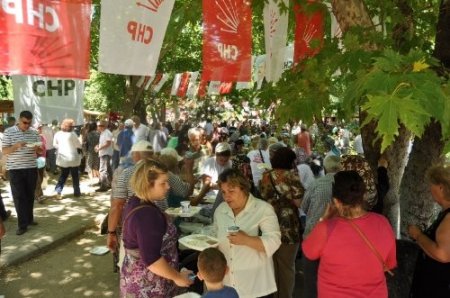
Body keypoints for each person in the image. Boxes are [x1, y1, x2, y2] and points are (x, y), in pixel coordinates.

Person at [302, 170, 397, 298]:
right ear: (362, 196)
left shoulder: (326, 228)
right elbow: (390, 263)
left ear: (336, 201)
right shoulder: (383, 222)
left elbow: (309, 252)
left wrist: (323, 220)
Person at [120, 159, 193, 297]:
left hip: (137, 279)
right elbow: (152, 260)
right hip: (149, 286)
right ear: (147, 185)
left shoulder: (135, 201)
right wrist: (178, 277)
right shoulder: (146, 215)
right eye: (163, 183)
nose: (168, 187)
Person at [214, 168, 281, 298]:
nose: (226, 196)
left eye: (231, 191)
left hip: (256, 286)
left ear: (244, 189)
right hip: (228, 285)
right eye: (223, 192)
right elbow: (215, 240)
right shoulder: (220, 211)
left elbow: (274, 241)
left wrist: (246, 240)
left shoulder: (263, 209)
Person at [259, 147, 304, 298]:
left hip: (268, 224)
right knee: (287, 267)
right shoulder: (292, 176)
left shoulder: (265, 176)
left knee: (273, 266)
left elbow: (263, 197)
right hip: (289, 226)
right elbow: (299, 203)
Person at [301, 155, 342, 298]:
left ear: (325, 168)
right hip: (337, 239)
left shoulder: (316, 184)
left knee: (312, 281)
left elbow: (304, 206)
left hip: (313, 234)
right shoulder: (346, 185)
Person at [408, 165, 450, 298]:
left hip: (439, 287)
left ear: (441, 187)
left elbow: (443, 254)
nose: (429, 189)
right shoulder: (444, 213)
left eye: (431, 184)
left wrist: (418, 235)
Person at [2, 110, 43, 235]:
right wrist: (16, 146)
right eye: (25, 122)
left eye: (29, 123)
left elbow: (40, 151)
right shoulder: (9, 132)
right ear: (19, 120)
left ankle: (29, 219)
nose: (27, 125)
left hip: (31, 168)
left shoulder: (34, 132)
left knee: (30, 195)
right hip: (15, 169)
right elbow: (4, 151)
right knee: (19, 197)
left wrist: (38, 148)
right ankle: (22, 224)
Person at [53, 118, 82, 199]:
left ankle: (58, 191)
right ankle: (77, 192)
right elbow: (78, 145)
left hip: (63, 158)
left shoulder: (58, 134)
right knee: (75, 176)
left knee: (63, 175)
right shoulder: (73, 134)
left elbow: (55, 145)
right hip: (73, 158)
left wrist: (61, 147)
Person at [95, 120, 113, 192]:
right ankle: (110, 184)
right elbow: (103, 143)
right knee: (108, 169)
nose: (98, 127)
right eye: (98, 126)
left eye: (99, 126)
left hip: (105, 153)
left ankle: (103, 186)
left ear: (104, 126)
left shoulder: (107, 133)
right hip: (104, 153)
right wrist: (98, 146)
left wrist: (99, 148)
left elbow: (108, 143)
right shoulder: (103, 133)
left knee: (103, 170)